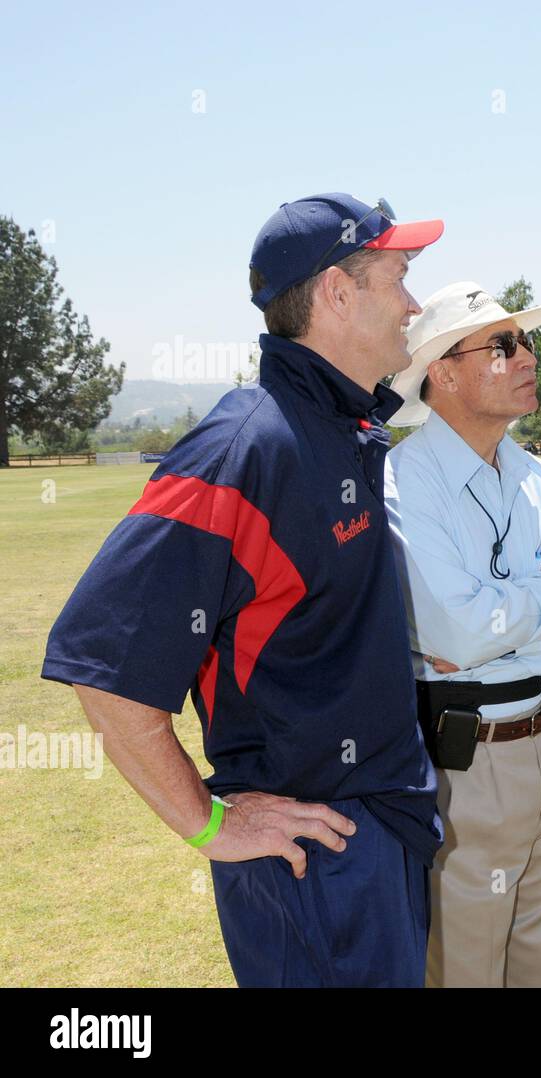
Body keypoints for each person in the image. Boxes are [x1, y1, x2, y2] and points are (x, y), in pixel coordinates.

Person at [40, 193, 446, 986]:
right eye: (398, 278)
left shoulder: (344, 427)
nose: (414, 303)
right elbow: (104, 664)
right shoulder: (244, 445)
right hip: (313, 857)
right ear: (336, 292)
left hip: (379, 831)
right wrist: (208, 824)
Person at [383, 281, 541, 988]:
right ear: (443, 372)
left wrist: (501, 618)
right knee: (465, 970)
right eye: (504, 345)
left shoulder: (534, 477)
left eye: (528, 343)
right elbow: (453, 626)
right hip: (465, 766)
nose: (527, 358)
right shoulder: (403, 478)